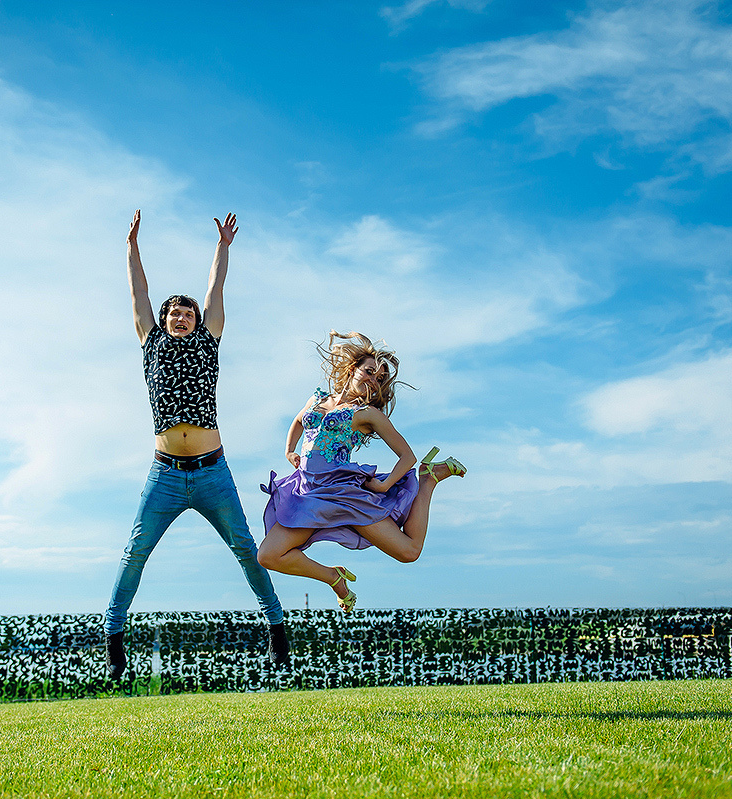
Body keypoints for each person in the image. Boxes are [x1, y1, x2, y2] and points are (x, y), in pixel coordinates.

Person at [104, 209, 289, 680]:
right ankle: (113, 635)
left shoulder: (209, 340)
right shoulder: (151, 343)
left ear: (197, 320)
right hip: (164, 474)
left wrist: (223, 248)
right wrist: (131, 248)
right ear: (164, 321)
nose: (180, 317)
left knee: (246, 548)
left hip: (212, 472)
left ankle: (277, 625)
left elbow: (215, 289)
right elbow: (138, 293)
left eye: (187, 312)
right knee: (134, 552)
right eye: (174, 313)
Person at [257, 331, 465, 612]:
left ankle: (428, 480)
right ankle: (334, 577)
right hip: (306, 494)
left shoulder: (367, 414)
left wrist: (383, 486)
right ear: (353, 369)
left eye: (379, 379)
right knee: (268, 556)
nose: (373, 380)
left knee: (408, 551)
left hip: (344, 495)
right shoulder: (318, 399)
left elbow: (407, 457)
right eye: (369, 371)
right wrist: (289, 450)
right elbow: (297, 421)